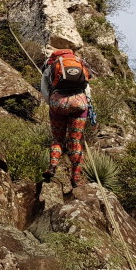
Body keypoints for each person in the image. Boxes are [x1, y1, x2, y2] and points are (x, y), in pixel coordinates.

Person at [40, 47, 93, 188]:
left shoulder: (51, 66)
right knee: (75, 140)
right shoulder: (79, 63)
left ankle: (52, 166)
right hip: (79, 103)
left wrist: (52, 103)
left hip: (58, 103)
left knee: (58, 139)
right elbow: (87, 89)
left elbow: (44, 90)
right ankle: (75, 177)